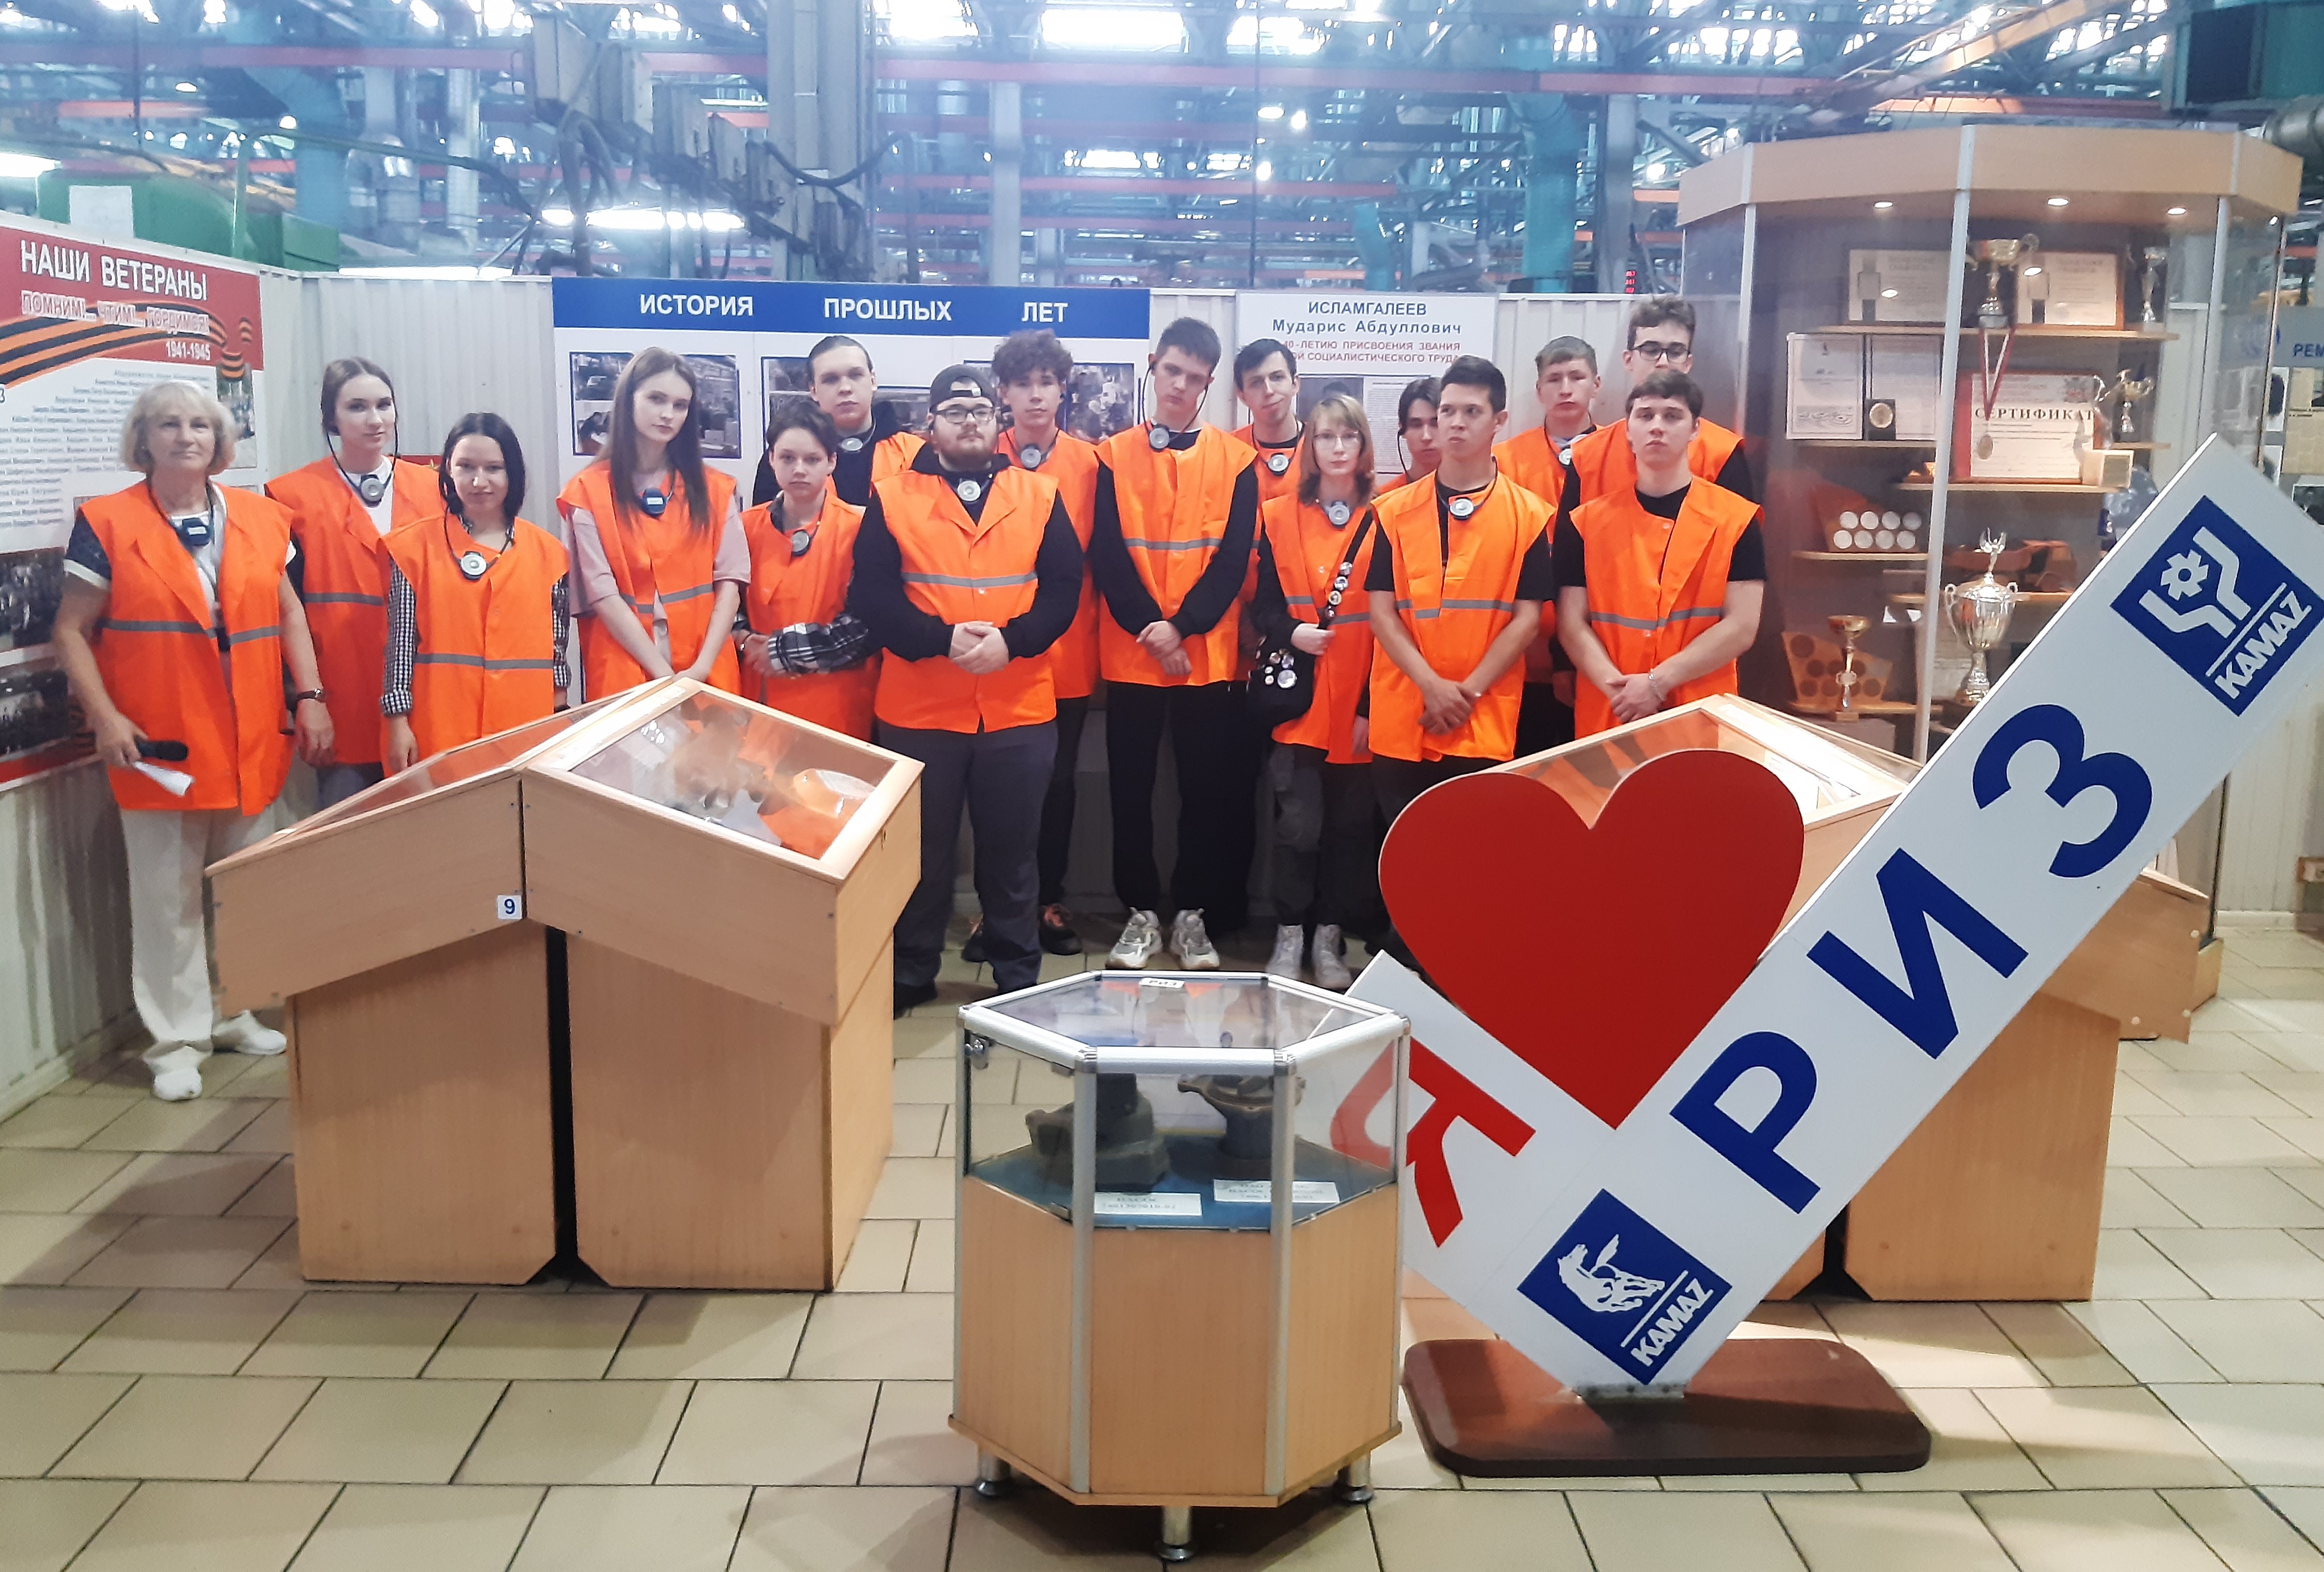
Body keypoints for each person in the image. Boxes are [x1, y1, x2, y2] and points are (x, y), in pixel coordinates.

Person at [51, 383, 334, 1101]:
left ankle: (231, 1011)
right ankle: (176, 1041)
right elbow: (70, 630)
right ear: (143, 439)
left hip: (250, 739)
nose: (187, 436)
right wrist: (105, 716)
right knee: (166, 900)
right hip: (159, 748)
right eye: (170, 424)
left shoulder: (263, 517)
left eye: (201, 425)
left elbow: (290, 614)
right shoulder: (107, 521)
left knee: (240, 891)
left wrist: (311, 695)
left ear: (220, 440)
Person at [847, 366, 1083, 1014]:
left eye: (979, 411)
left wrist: (1013, 641)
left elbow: (1065, 588)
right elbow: (870, 595)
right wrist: (940, 638)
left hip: (1017, 706)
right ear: (931, 424)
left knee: (1013, 853)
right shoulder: (892, 496)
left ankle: (1017, 973)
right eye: (954, 412)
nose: (969, 421)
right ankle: (912, 969)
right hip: (919, 710)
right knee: (920, 856)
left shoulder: (1040, 493)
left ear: (997, 420)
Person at [1088, 316, 1260, 972]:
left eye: (1194, 377)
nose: (1180, 386)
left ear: (1209, 383)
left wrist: (1181, 628)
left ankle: (1191, 913)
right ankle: (1138, 911)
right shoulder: (1111, 455)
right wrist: (1155, 632)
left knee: (1204, 793)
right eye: (1172, 371)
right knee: (1129, 791)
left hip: (1206, 660)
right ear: (1153, 366)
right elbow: (1109, 556)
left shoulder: (1236, 461)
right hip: (1133, 655)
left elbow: (1232, 561)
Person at [1366, 354, 1553, 842]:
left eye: (1472, 412)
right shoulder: (1391, 511)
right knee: (1405, 853)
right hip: (1406, 712)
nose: (1455, 423)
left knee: (1473, 855)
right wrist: (1431, 686)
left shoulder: (1530, 515)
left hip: (1480, 716)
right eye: (1447, 411)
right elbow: (1381, 612)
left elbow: (1527, 619)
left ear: (1499, 421)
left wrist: (1465, 693)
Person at [1248, 394, 1384, 991]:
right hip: (1298, 702)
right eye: (1326, 437)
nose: (1336, 448)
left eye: (1348, 437)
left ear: (1363, 446)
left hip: (1360, 701)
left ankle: (1330, 938)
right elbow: (1261, 605)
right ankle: (1289, 933)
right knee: (1297, 826)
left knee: (1348, 831)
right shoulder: (1278, 514)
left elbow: (1399, 622)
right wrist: (1290, 631)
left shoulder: (1387, 516)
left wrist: (1369, 707)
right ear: (1311, 445)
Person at [267, 357, 438, 806]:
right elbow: (286, 610)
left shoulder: (435, 490)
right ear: (331, 419)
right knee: (351, 834)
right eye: (357, 407)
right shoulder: (289, 497)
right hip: (343, 701)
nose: (375, 419)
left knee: (434, 832)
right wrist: (307, 698)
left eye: (384, 405)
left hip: (426, 695)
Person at [1558, 369, 1766, 738]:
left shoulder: (1737, 519)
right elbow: (1571, 624)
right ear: (1628, 430)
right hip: (1611, 712)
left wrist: (1658, 683)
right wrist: (1622, 694)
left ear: (1695, 429)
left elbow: (1742, 626)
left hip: (1700, 711)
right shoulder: (1587, 522)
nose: (1657, 427)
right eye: (1645, 416)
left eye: (1672, 416)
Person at [989, 328, 1101, 958]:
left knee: (1058, 783)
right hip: (998, 653)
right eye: (1023, 383)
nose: (1035, 395)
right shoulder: (982, 456)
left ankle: (1049, 900)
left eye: (1046, 382)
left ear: (1063, 390)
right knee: (999, 786)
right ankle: (998, 908)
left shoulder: (1091, 463)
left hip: (1069, 655)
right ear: (1003, 392)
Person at [382, 414, 570, 771]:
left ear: (512, 473)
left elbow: (557, 652)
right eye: (466, 466)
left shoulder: (550, 554)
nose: (479, 481)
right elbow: (400, 645)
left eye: (493, 468)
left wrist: (560, 717)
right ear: (448, 470)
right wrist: (397, 722)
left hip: (525, 730)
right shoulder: (411, 549)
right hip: (438, 730)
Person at [556, 347, 746, 699]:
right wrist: (664, 676)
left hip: (705, 669)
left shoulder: (716, 490)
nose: (668, 414)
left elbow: (730, 584)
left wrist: (700, 669)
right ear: (629, 399)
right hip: (625, 669)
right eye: (656, 399)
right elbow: (602, 594)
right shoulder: (587, 492)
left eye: (680, 405)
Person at [735, 405, 878, 740]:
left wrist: (782, 652)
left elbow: (868, 624)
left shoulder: (860, 528)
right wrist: (742, 639)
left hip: (836, 705)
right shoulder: (745, 527)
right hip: (758, 702)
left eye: (812, 459)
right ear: (772, 459)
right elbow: (723, 602)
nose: (799, 470)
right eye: (787, 458)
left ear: (832, 462)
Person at [1498, 337, 1602, 759]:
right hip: (1522, 658)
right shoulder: (1505, 460)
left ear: (1596, 384)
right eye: (1555, 379)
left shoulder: (1622, 456)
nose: (1566, 389)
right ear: (1539, 390)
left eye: (1577, 377)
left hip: (1601, 656)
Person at [1567, 299, 1755, 503]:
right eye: (1650, 350)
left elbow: (1737, 523)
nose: (1663, 362)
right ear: (1628, 360)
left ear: (1688, 363)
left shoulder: (1723, 454)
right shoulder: (1587, 457)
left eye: (1675, 352)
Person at [758, 335, 924, 509]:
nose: (845, 388)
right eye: (831, 379)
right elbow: (765, 522)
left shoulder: (915, 453)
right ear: (813, 390)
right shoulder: (786, 456)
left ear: (873, 381)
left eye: (856, 375)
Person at [1232, 338, 1303, 507]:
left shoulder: (1322, 446)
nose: (1269, 391)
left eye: (1277, 378)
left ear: (1295, 384)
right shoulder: (1228, 451)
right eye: (1256, 383)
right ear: (1242, 395)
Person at [1391, 378, 1442, 490]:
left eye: (1436, 424)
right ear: (1402, 429)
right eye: (1416, 425)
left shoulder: (1476, 493)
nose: (1426, 437)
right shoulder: (1384, 497)